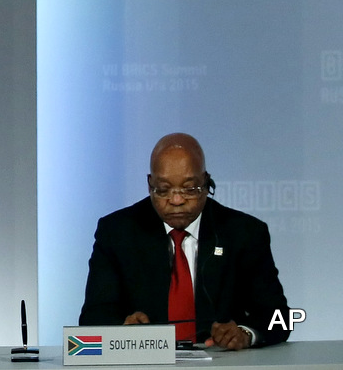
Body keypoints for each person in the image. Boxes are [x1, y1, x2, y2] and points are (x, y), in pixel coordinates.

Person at [79, 133, 290, 349]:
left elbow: (280, 317)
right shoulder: (117, 232)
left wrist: (245, 334)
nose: (176, 200)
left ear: (207, 184)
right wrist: (122, 329)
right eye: (163, 189)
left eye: (190, 189)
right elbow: (93, 317)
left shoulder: (244, 233)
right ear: (149, 184)